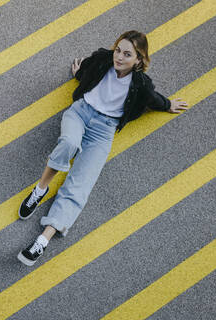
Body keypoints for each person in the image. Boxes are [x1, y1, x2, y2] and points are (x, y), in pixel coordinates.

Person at [17, 30, 188, 266]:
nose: (119, 57)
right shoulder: (102, 59)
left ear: (139, 60)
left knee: (81, 185)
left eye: (127, 54)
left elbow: (152, 99)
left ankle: (42, 241)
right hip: (80, 113)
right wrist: (79, 74)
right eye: (118, 50)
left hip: (103, 131)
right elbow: (87, 68)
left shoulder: (141, 85)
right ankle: (40, 189)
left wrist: (168, 104)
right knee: (69, 143)